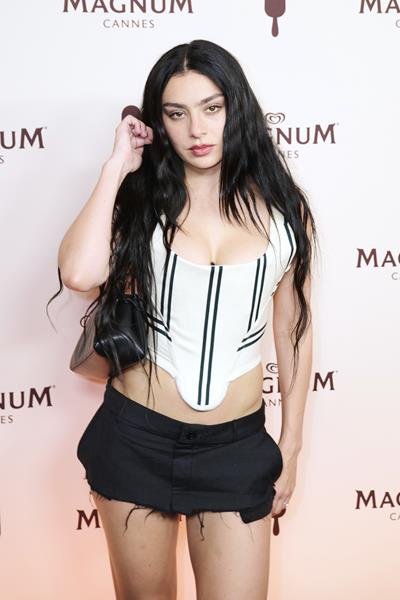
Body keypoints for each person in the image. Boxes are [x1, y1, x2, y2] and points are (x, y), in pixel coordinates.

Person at [48, 39, 316, 600]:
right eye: (176, 113)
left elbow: (293, 333)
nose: (197, 129)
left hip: (235, 449)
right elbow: (78, 273)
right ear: (158, 122)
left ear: (236, 107)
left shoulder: (285, 211)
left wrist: (290, 446)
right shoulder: (140, 199)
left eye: (212, 108)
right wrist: (117, 167)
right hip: (135, 437)